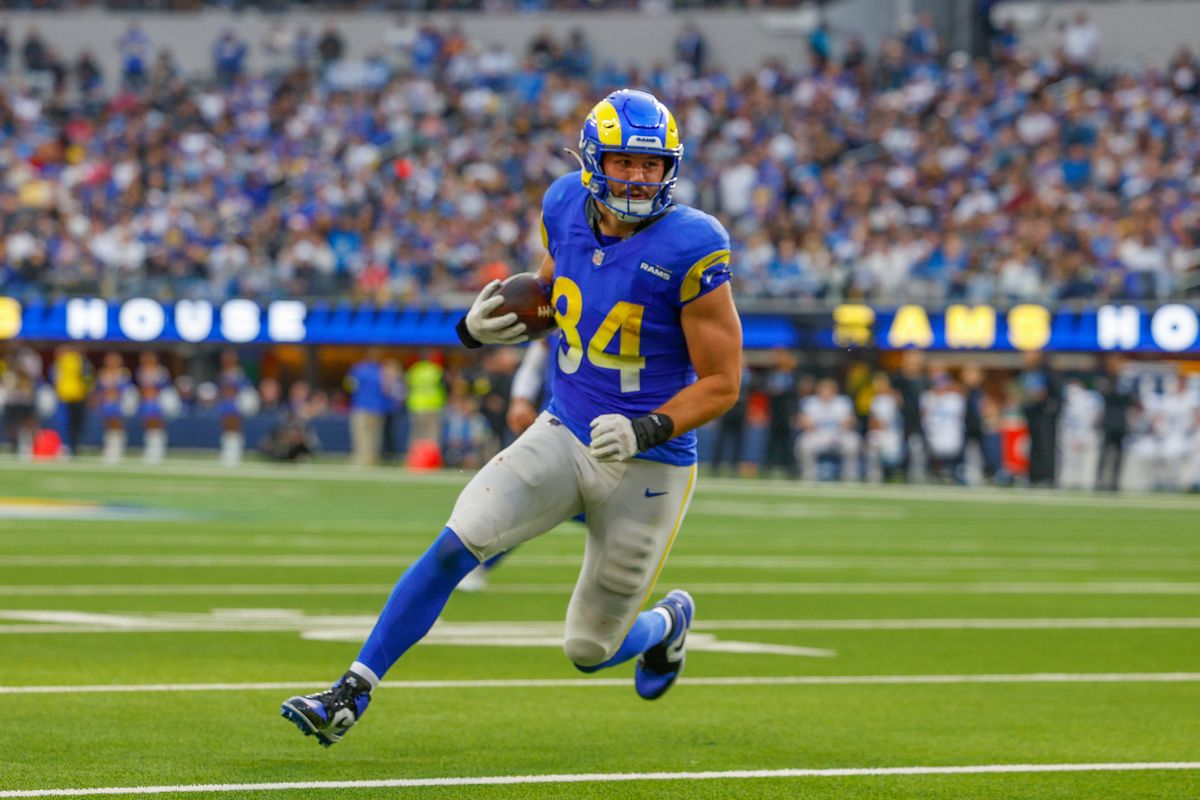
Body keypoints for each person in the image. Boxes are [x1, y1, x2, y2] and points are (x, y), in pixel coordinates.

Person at [281, 89, 741, 746]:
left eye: (651, 166)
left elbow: (723, 383)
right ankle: (351, 689)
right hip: (565, 428)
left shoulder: (694, 244)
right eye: (623, 162)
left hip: (649, 463)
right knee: (455, 543)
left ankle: (666, 626)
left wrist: (648, 428)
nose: (639, 179)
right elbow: (558, 296)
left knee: (589, 647)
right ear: (592, 161)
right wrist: (479, 328)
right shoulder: (563, 205)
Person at [797, 377, 860, 481]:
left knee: (853, 442)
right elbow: (803, 422)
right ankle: (808, 475)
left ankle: (850, 476)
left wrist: (846, 424)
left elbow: (851, 422)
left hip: (838, 435)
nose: (826, 393)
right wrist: (808, 424)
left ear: (834, 391)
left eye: (829, 390)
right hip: (817, 435)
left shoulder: (843, 402)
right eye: (824, 390)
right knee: (804, 442)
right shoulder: (810, 402)